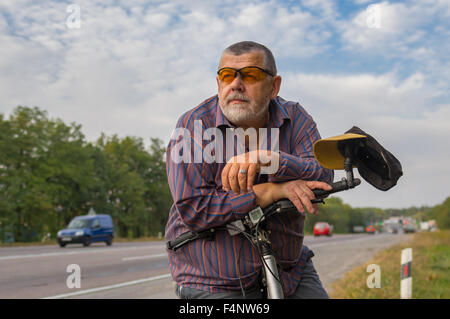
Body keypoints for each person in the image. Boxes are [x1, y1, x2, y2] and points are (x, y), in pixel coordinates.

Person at [165, 41, 334, 299]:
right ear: (219, 83)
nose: (236, 84)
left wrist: (272, 160)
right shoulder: (193, 126)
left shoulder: (296, 117)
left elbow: (323, 174)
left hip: (288, 271)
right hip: (214, 279)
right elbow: (194, 208)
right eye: (226, 75)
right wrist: (268, 191)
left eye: (251, 75)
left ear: (274, 86)